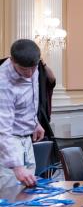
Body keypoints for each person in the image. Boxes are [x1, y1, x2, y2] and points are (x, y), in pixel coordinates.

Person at [0, 39, 46, 191]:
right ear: (12, 60)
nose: (30, 74)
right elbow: (2, 130)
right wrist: (17, 166)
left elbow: (29, 100)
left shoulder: (33, 67)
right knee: (10, 198)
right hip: (8, 143)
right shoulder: (3, 83)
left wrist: (34, 122)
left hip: (26, 140)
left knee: (28, 194)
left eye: (33, 68)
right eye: (24, 69)